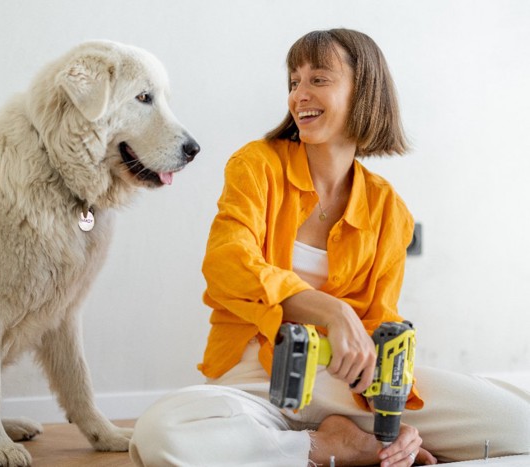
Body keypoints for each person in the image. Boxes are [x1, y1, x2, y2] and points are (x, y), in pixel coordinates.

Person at [129, 28, 530, 467]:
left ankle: (353, 440)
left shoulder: (387, 208)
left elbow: (382, 324)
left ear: (365, 92)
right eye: (293, 82)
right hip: (257, 381)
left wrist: (391, 422)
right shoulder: (256, 165)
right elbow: (227, 263)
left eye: (318, 79)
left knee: (518, 423)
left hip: (346, 390)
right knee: (161, 435)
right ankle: (326, 447)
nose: (300, 94)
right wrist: (332, 311)